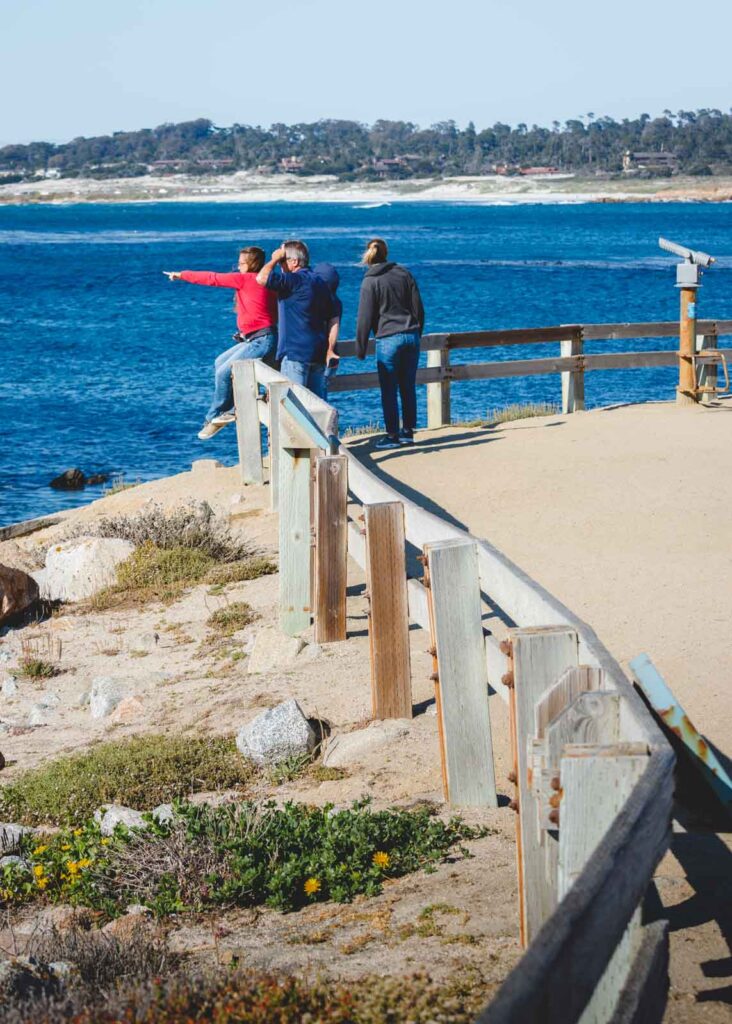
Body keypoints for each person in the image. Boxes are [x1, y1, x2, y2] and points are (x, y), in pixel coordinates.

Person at [163, 246, 277, 439]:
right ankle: (234, 407)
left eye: (241, 263)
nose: (238, 267)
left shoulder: (245, 279)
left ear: (252, 264)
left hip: (262, 340)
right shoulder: (268, 282)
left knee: (224, 372)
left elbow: (212, 278)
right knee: (219, 362)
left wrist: (182, 275)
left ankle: (216, 416)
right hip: (255, 338)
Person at [355, 237, 425, 449]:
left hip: (388, 337)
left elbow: (365, 316)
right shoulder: (404, 273)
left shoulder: (370, 281)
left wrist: (361, 346)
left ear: (368, 257)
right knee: (407, 386)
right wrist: (416, 332)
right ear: (386, 253)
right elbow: (418, 308)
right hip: (410, 335)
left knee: (389, 388)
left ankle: (392, 435)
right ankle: (408, 432)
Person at [256, 241, 338, 400]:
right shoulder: (320, 282)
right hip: (318, 352)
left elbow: (261, 278)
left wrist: (273, 259)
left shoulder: (293, 280)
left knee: (295, 409)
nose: (280, 265)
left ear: (294, 262)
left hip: (295, 353)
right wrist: (330, 348)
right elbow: (333, 318)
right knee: (317, 408)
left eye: (282, 260)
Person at [313, 262, 342, 388]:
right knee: (322, 392)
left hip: (319, 355)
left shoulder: (318, 300)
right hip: (332, 357)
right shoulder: (337, 302)